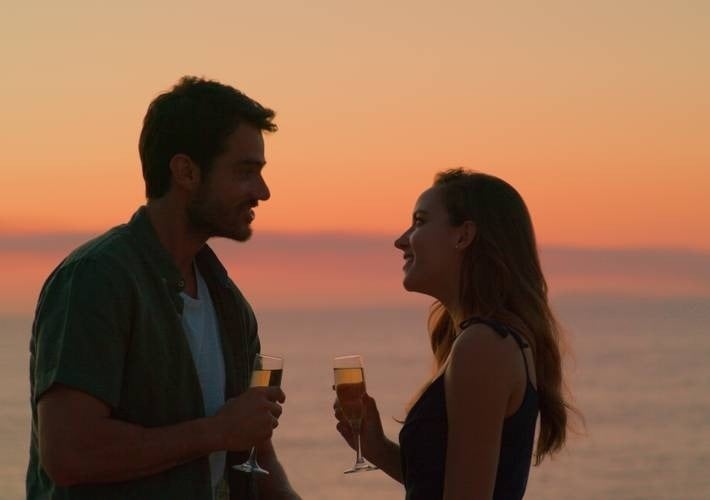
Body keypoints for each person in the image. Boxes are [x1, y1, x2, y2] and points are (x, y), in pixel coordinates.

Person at [27, 76, 301, 500]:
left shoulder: (230, 304)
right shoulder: (96, 279)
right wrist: (214, 432)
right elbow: (68, 453)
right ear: (186, 171)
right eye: (246, 171)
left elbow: (254, 454)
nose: (262, 192)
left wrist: (232, 434)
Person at [334, 169, 575, 499]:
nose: (401, 240)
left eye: (419, 222)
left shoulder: (483, 346)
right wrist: (377, 448)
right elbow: (444, 483)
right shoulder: (486, 341)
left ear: (463, 236)